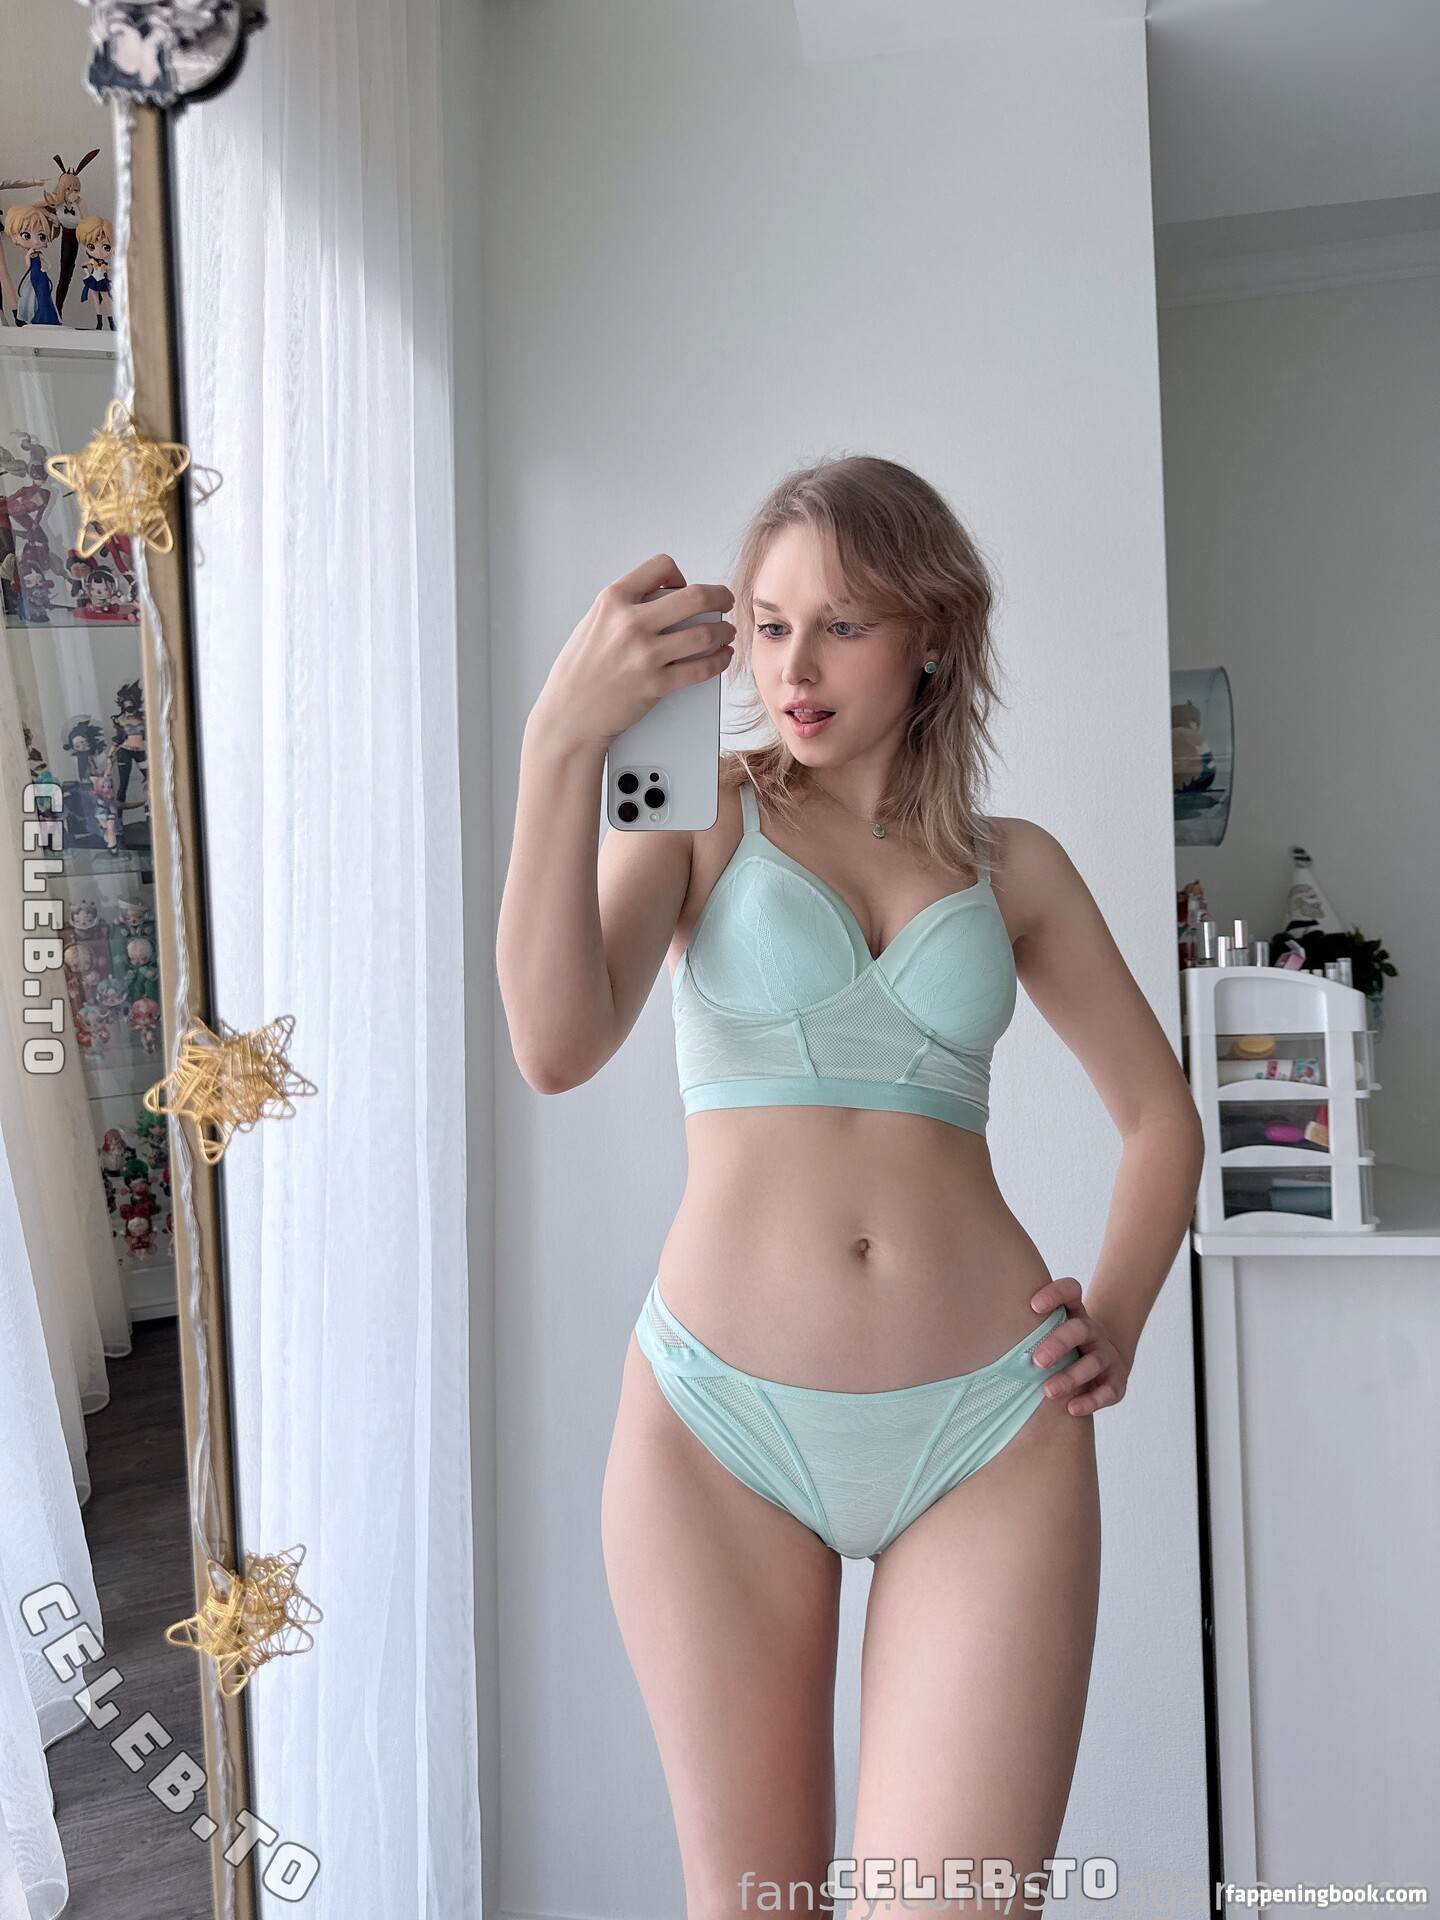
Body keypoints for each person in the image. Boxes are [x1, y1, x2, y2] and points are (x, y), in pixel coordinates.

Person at [495, 455, 1204, 1918]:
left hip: (990, 1431)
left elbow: (1159, 1118)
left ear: (930, 635)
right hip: (719, 1431)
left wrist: (1120, 1316)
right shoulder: (696, 806)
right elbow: (556, 1045)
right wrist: (559, 748)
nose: (793, 669)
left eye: (842, 625)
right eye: (767, 627)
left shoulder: (1015, 866)